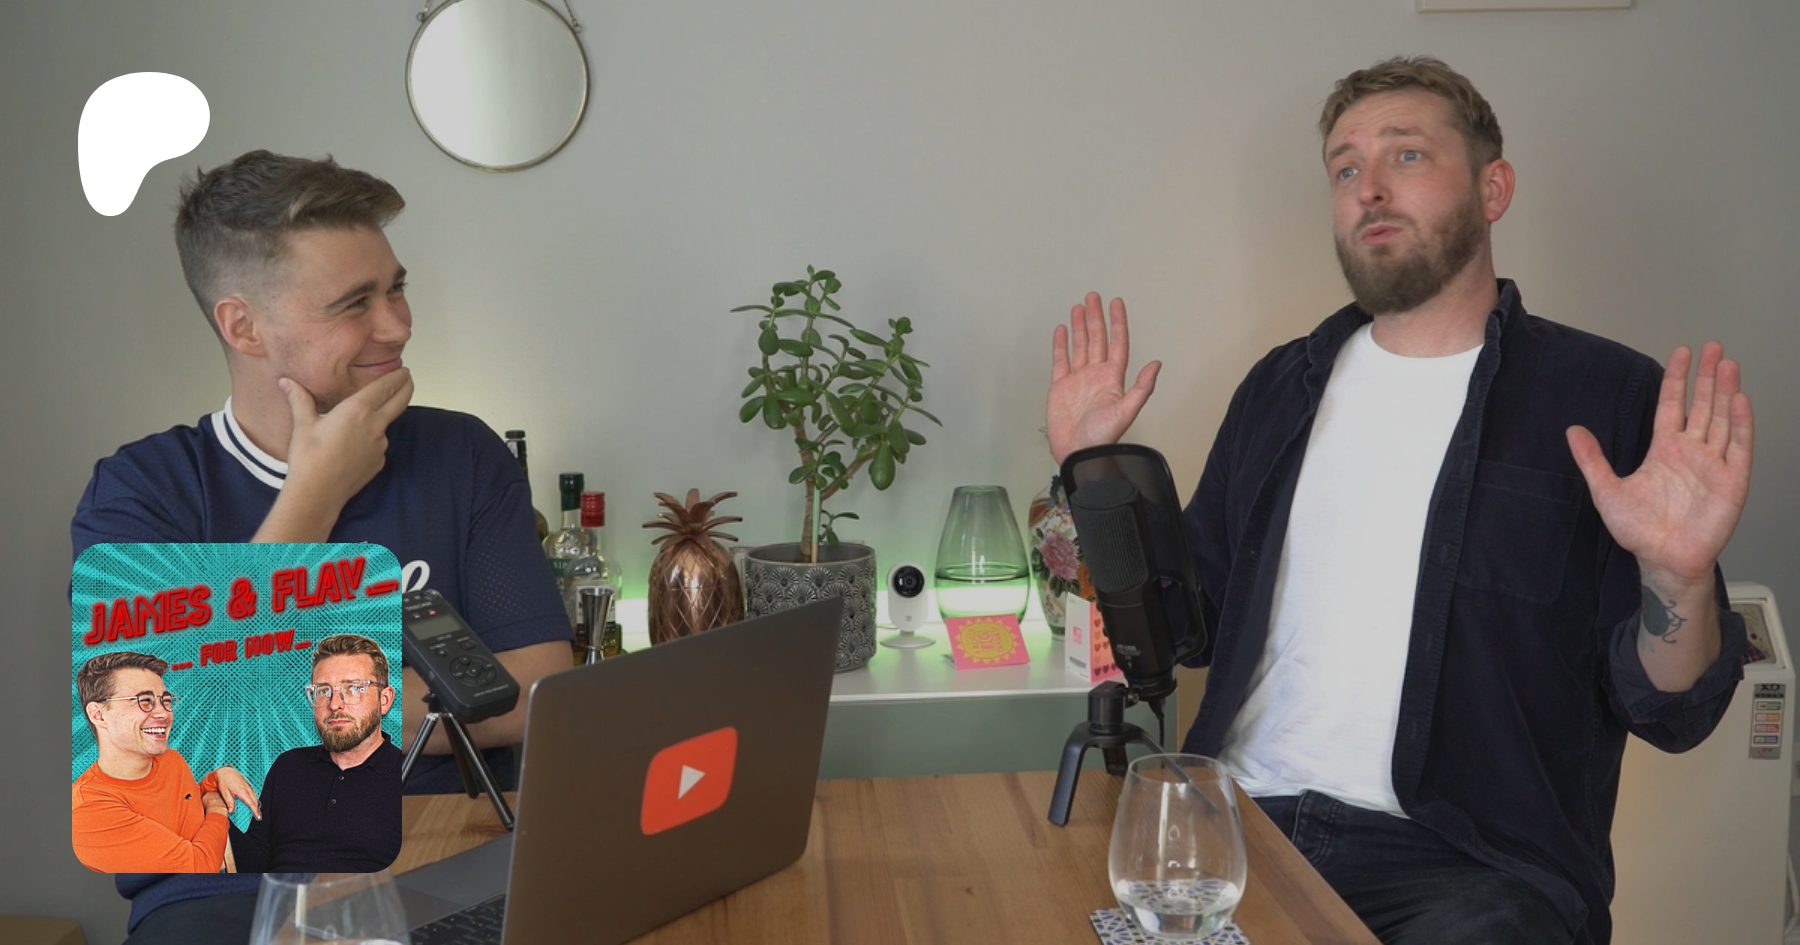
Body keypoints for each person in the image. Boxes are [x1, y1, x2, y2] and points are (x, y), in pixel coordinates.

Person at [1045, 56, 1752, 945]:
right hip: (1239, 825)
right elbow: (1180, 631)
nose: (1369, 188)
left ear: (1493, 189)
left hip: (1475, 869)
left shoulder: (1606, 396)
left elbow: (1674, 711)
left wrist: (1677, 579)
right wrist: (1095, 478)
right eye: (1345, 169)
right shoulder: (1279, 389)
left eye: (1406, 155)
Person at [70, 151, 572, 943]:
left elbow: (538, 688)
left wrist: (279, 708)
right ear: (243, 325)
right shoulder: (140, 495)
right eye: (355, 303)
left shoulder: (463, 456)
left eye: (396, 288)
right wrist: (315, 494)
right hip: (224, 883)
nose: (398, 325)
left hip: (448, 852)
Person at [71, 651, 260, 873]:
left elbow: (187, 806)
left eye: (166, 701)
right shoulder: (89, 811)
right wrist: (217, 808)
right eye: (145, 701)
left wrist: (218, 777)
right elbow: (200, 867)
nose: (164, 713)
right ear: (98, 715)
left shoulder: (171, 760)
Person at [228, 634, 402, 873]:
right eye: (322, 691)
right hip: (274, 892)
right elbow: (255, 861)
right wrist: (211, 804)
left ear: (385, 700)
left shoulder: (406, 774)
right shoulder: (289, 766)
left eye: (353, 688)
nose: (335, 704)